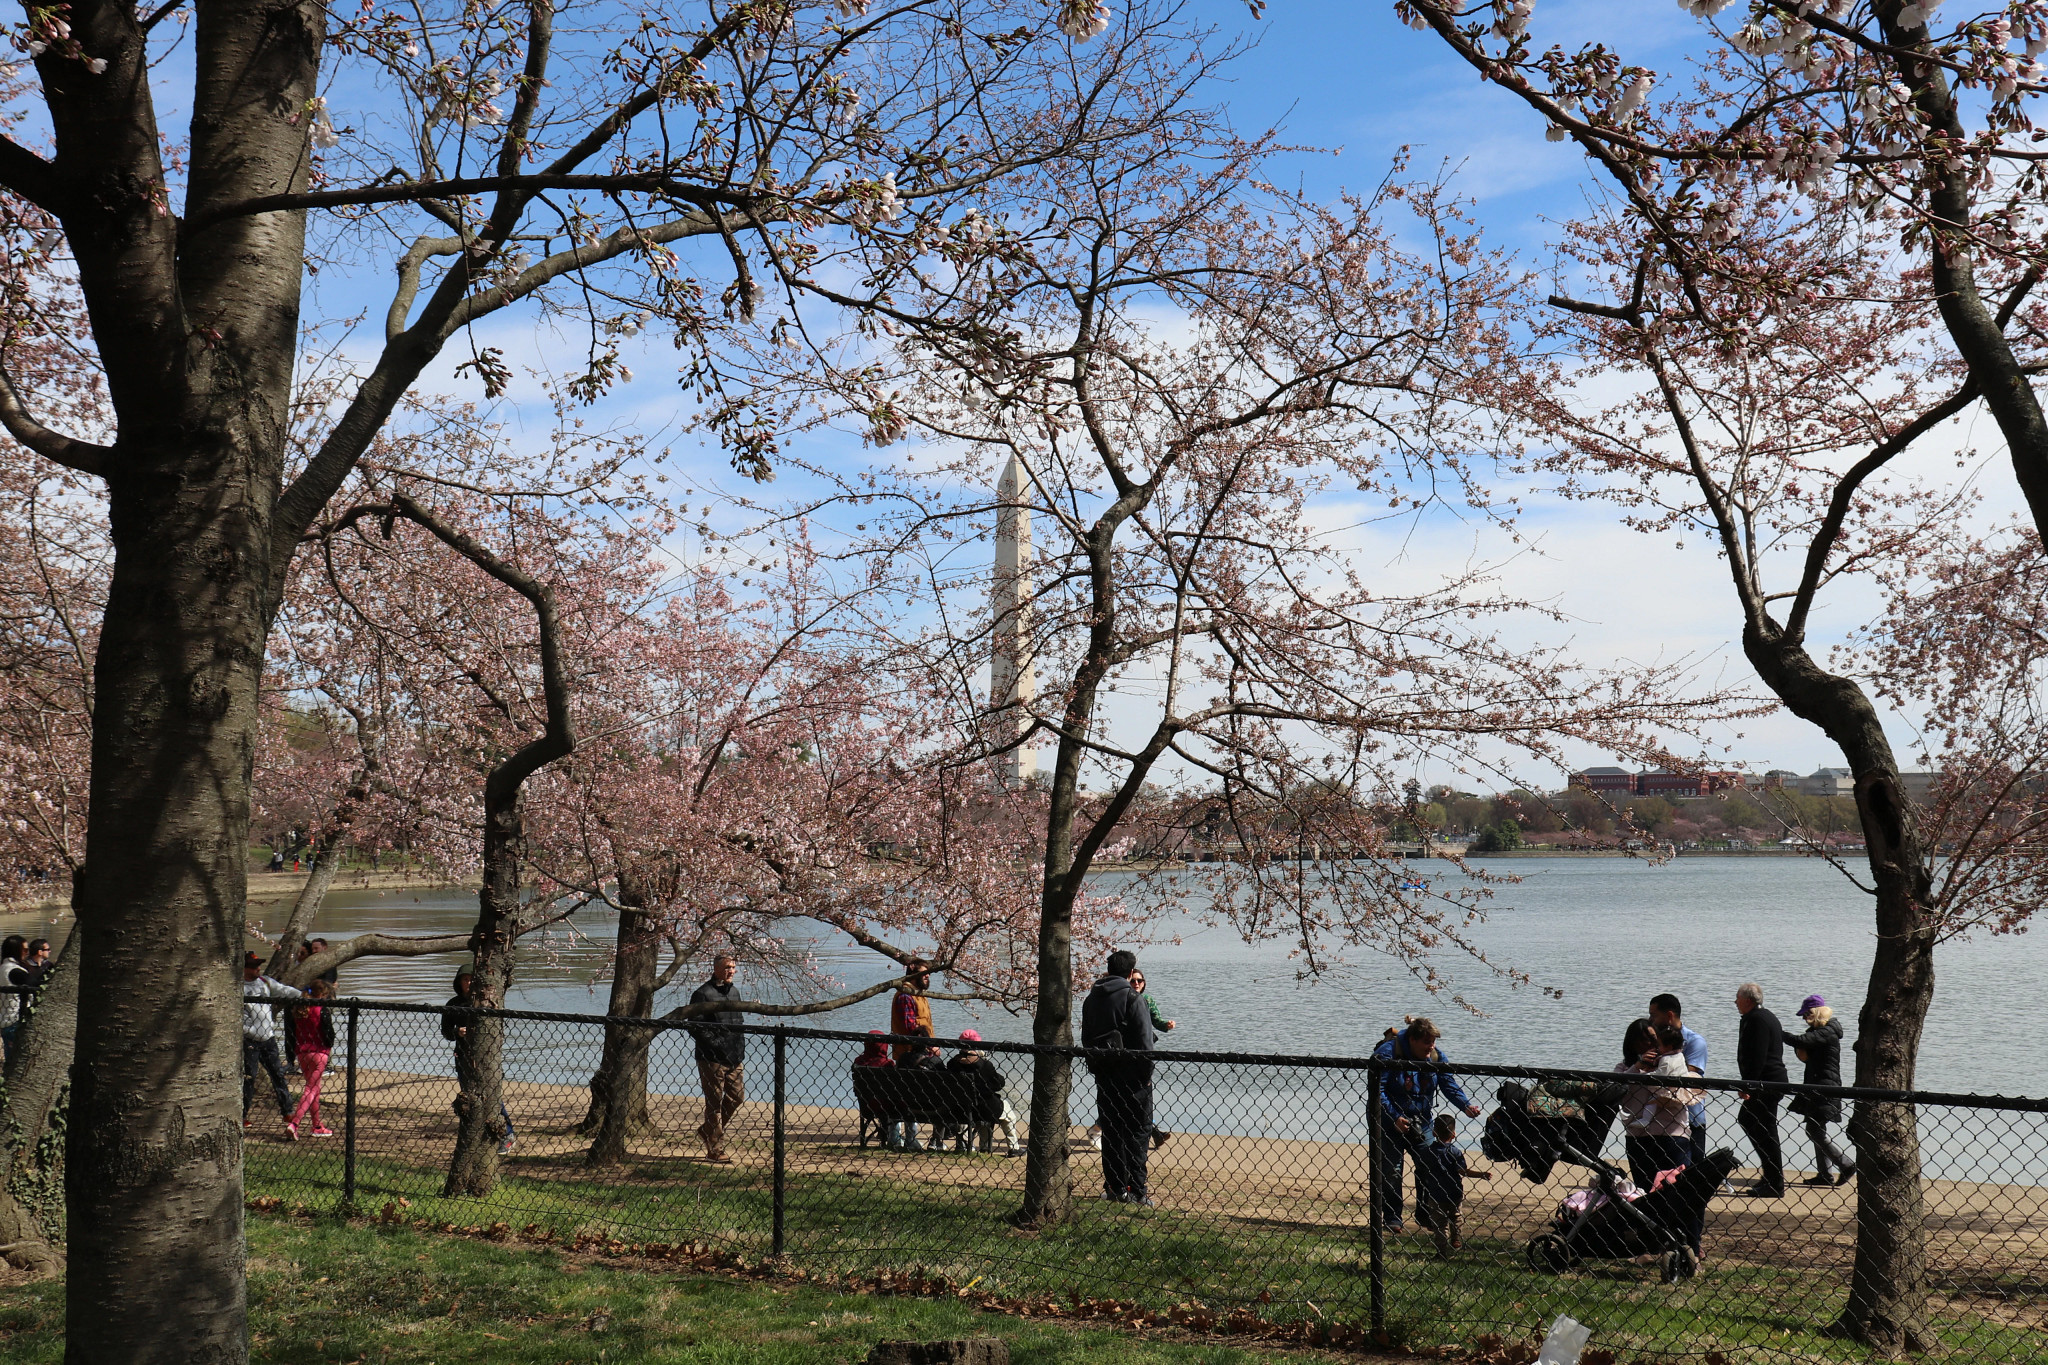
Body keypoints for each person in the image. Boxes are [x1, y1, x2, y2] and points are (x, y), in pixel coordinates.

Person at [1370, 1017, 1481, 1233]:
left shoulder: (1436, 1056)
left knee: (1431, 1164)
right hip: (1387, 1119)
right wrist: (1393, 1117)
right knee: (1392, 1170)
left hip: (1422, 1119)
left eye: (1433, 1042)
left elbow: (1449, 1084)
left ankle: (1425, 1213)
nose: (1432, 1047)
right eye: (1427, 1042)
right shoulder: (1387, 1053)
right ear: (1412, 1040)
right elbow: (1377, 1092)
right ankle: (1393, 1218)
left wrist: (1466, 1106)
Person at [1080, 949, 1157, 1206]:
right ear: (1130, 972)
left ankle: (1115, 1187)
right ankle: (1137, 1190)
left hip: (1105, 1076)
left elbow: (1086, 1039)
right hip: (1134, 1079)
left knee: (1112, 1133)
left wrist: (1097, 1069)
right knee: (1138, 1132)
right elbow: (1145, 1044)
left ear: (1109, 969)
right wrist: (1145, 1076)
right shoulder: (1133, 999)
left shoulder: (1091, 999)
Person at [1784, 994, 1855, 1186]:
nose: (1804, 1018)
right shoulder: (1818, 1033)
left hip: (1826, 1088)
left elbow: (1800, 1041)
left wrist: (1778, 1034)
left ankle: (1846, 1164)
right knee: (1816, 1129)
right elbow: (1805, 1052)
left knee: (1814, 1130)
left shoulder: (1828, 1031)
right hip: (1816, 1086)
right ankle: (1825, 1175)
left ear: (1816, 1013)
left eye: (1806, 1014)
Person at [442, 970, 515, 1155]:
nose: (468, 983)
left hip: (486, 1058)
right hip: (463, 1057)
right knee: (469, 1096)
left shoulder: (487, 1002)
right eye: (465, 980)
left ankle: (507, 1134)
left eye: (471, 979)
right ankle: (475, 1136)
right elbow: (445, 1031)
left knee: (491, 1096)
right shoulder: (453, 1004)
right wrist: (457, 1032)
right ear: (459, 983)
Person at [688, 954, 746, 1164]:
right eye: (727, 967)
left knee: (737, 1097)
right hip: (710, 1058)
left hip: (734, 1057)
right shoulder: (703, 994)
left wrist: (738, 1047)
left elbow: (739, 1022)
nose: (731, 971)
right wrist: (717, 1043)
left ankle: (707, 1130)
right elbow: (694, 1026)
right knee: (714, 1103)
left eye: (733, 967)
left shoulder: (735, 992)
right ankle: (715, 1148)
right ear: (716, 969)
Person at [1735, 982, 1789, 1197]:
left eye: (1737, 998)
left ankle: (1775, 1182)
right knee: (1756, 1124)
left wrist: (1749, 1084)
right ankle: (1770, 1176)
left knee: (1764, 1129)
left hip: (1766, 1082)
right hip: (1769, 1081)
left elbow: (1757, 1055)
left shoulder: (1757, 1019)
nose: (1735, 1002)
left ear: (1747, 1000)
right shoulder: (1763, 1016)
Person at [242, 952, 303, 1133]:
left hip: (268, 1039)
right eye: (253, 966)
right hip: (249, 1041)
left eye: (258, 965)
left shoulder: (265, 982)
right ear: (243, 968)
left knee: (278, 1075)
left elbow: (284, 990)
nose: (257, 969)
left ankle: (287, 1111)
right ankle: (242, 1115)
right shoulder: (237, 987)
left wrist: (305, 994)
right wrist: (250, 1031)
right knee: (249, 1078)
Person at [1415, 1113, 1491, 1258]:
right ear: (1454, 1134)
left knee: (1440, 1223)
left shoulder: (1427, 1152)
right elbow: (1463, 1171)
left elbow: (1422, 1169)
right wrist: (1481, 1174)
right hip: (1454, 1192)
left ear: (1433, 1132)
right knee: (1456, 1216)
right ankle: (1455, 1238)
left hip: (1436, 1194)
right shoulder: (1454, 1152)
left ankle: (1441, 1250)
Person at [1649, 992, 1709, 1167]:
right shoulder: (1655, 1039)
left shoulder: (1695, 1042)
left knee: (1692, 1171)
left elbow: (1687, 1076)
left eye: (1654, 1015)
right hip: (1659, 1119)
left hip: (1691, 1119)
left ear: (1669, 1016)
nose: (1651, 1020)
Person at [947, 1030, 1021, 1156]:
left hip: (959, 1108)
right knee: (1008, 1115)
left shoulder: (952, 1064)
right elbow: (998, 1084)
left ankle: (983, 1147)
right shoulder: (984, 1065)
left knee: (985, 1109)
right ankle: (1013, 1148)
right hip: (985, 1108)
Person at [888, 960, 936, 1151]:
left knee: (910, 1097)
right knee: (906, 1097)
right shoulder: (906, 995)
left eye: (929, 974)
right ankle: (900, 1137)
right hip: (908, 1055)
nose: (927, 977)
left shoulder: (918, 995)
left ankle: (907, 1138)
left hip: (920, 1054)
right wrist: (930, 1046)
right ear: (912, 973)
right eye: (924, 973)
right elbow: (910, 1029)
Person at [1129, 969, 1175, 1151]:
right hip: (1126, 1052)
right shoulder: (1123, 1000)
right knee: (1133, 1096)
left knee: (1141, 1095)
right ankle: (1154, 1133)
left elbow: (1157, 1020)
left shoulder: (1147, 1001)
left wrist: (1167, 1025)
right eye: (1133, 980)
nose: (1137, 983)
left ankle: (1154, 1133)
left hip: (1144, 1052)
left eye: (1140, 980)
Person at [286, 980, 339, 1139]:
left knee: (315, 1088)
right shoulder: (322, 1010)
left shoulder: (299, 1010)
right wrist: (329, 1046)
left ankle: (316, 1125)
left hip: (302, 1053)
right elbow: (329, 1033)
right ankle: (294, 1124)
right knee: (310, 1089)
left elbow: (291, 1033)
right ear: (322, 995)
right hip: (319, 1053)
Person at [0, 936, 27, 1062]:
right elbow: (35, 984)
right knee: (17, 1060)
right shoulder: (15, 971)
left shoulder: (2, 968)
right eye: (25, 950)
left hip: (5, 1019)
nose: (27, 954)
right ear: (17, 951)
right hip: (15, 1019)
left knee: (9, 1058)